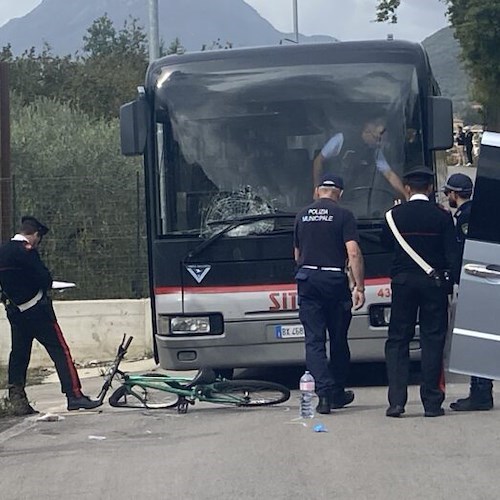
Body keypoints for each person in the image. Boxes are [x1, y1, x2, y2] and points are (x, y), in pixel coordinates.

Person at [0, 216, 101, 415]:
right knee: (60, 351)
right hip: (38, 310)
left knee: (19, 354)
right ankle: (74, 395)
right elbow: (44, 279)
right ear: (34, 234)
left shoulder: (2, 250)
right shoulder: (27, 252)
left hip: (14, 311)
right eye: (39, 237)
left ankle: (17, 399)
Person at [382, 167, 458, 418]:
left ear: (406, 189)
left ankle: (396, 402)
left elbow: (385, 245)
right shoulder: (442, 216)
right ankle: (432, 402)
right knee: (432, 339)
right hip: (433, 284)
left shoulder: (393, 215)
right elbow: (451, 255)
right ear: (430, 188)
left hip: (403, 283)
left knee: (397, 341)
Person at [293, 173, 365, 415]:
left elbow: (297, 253)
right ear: (340, 194)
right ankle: (336, 392)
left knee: (314, 341)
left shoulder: (302, 215)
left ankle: (323, 395)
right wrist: (359, 286)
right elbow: (353, 252)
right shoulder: (344, 215)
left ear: (317, 191)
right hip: (334, 280)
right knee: (338, 339)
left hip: (308, 279)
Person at [442, 173, 494, 411]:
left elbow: (468, 253)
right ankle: (480, 390)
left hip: (475, 282)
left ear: (453, 194)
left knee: (476, 340)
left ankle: (481, 393)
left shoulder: (467, 216)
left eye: (447, 194)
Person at [312, 118, 406, 199]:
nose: (379, 143)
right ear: (367, 131)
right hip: (332, 192)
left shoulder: (374, 150)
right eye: (377, 139)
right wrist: (317, 189)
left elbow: (389, 174)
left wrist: (406, 195)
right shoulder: (341, 139)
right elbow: (318, 161)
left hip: (355, 195)